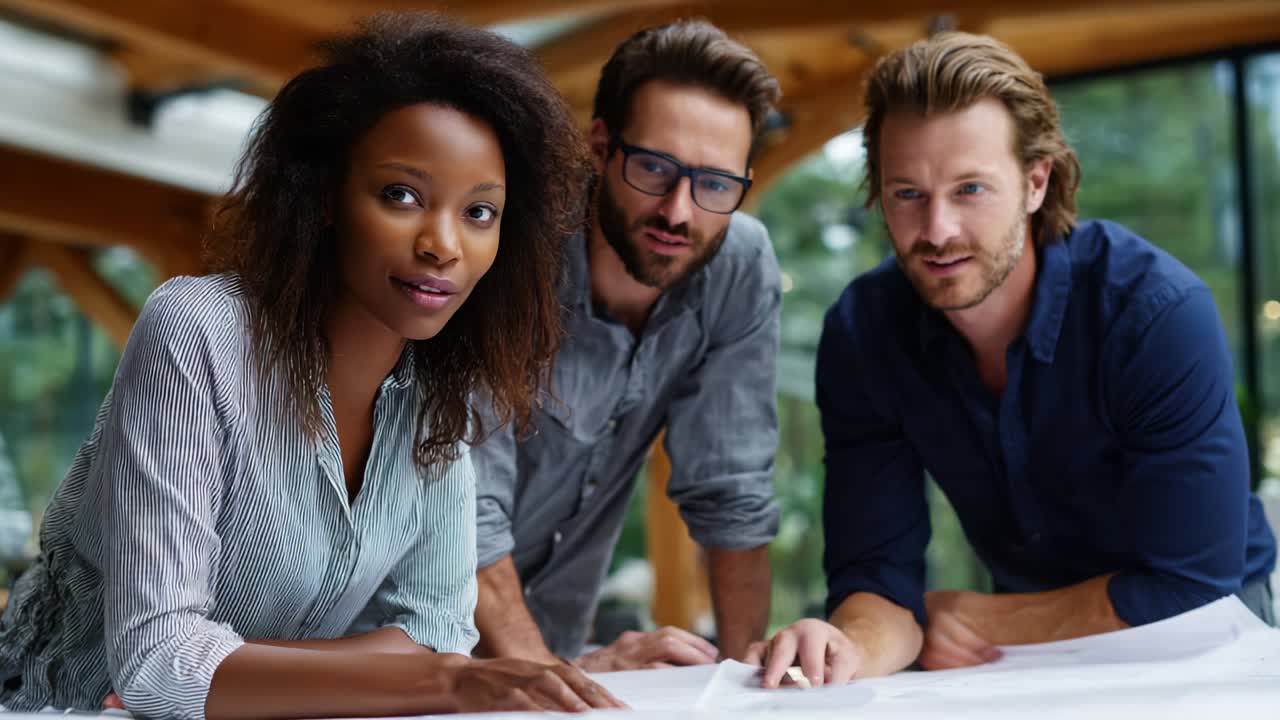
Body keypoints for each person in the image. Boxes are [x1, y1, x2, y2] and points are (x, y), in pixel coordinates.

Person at [0, 13, 623, 719]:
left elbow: (438, 633)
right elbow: (157, 664)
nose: (443, 244)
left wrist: (227, 666)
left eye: (481, 212)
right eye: (402, 196)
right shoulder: (198, 333)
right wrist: (430, 677)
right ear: (326, 196)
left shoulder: (437, 396)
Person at [749, 31, 1278, 688]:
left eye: (969, 189)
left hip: (1207, 632)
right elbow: (877, 576)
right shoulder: (865, 333)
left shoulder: (1155, 315)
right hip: (1022, 639)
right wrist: (845, 646)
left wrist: (982, 620)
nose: (937, 230)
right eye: (907, 193)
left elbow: (1190, 587)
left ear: (1035, 182)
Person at [471, 19, 783, 671]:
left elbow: (734, 499)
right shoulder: (507, 246)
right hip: (403, 650)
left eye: (716, 185)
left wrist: (744, 685)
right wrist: (555, 682)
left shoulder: (738, 266)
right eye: (653, 168)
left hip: (553, 651)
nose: (679, 211)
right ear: (600, 145)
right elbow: (465, 516)